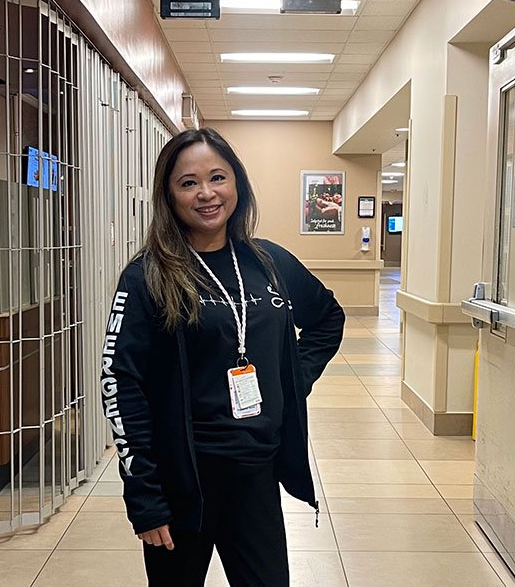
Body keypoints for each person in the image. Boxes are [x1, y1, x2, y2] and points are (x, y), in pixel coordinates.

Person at [100, 127, 345, 586]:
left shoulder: (269, 263)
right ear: (168, 196)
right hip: (183, 481)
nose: (207, 193)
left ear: (238, 184)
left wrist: (290, 378)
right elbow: (119, 384)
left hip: (256, 475)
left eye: (218, 177)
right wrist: (145, 497)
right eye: (188, 183)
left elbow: (327, 318)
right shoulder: (147, 276)